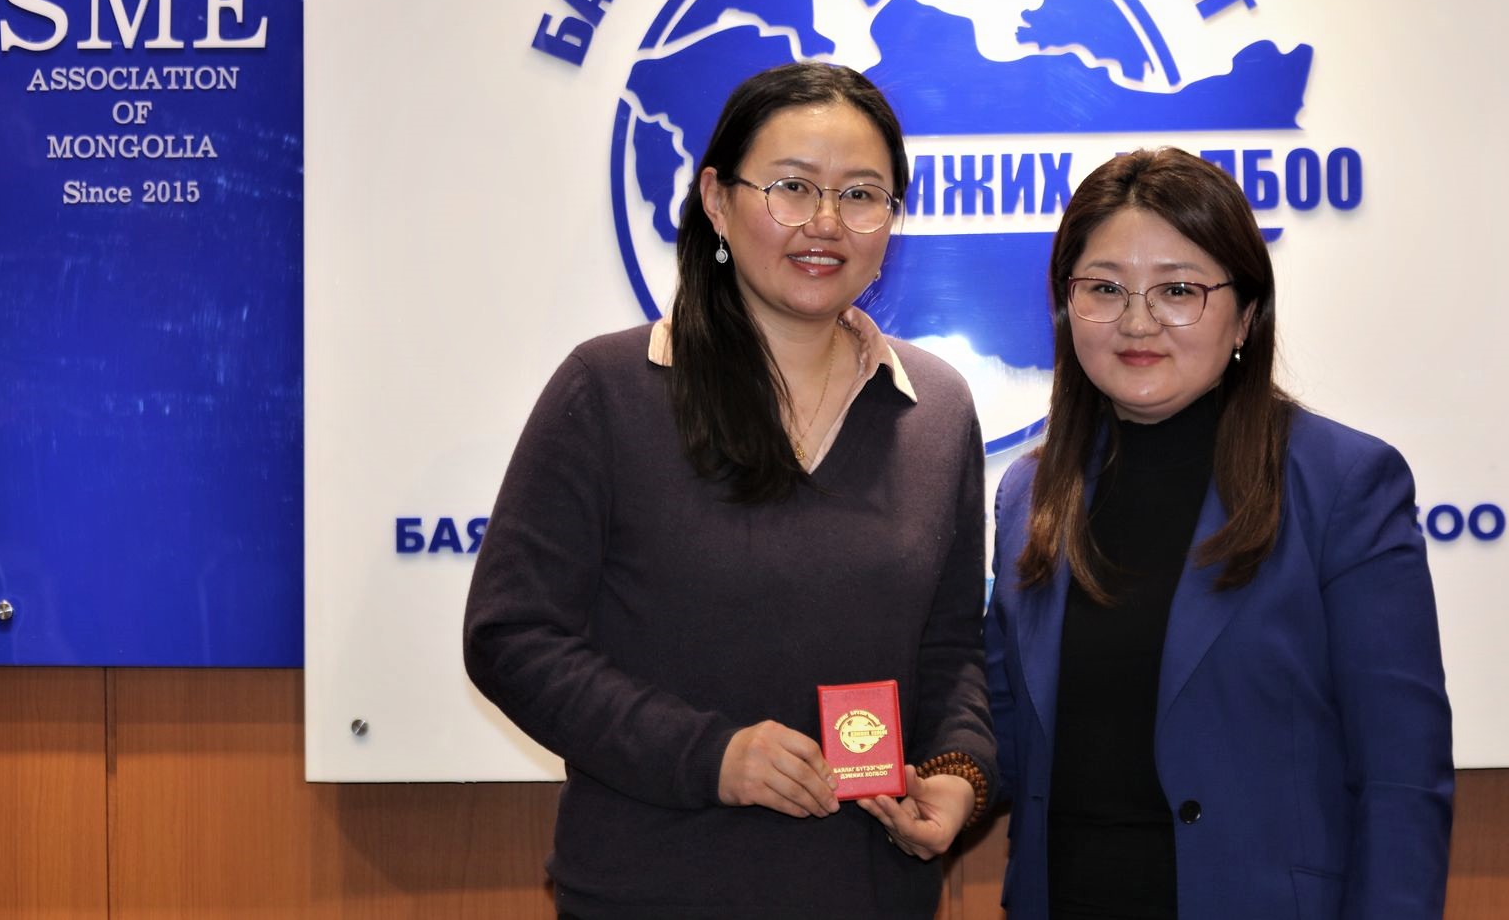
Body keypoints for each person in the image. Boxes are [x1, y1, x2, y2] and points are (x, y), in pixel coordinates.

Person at [464, 62, 997, 920]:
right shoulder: (609, 389)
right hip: (652, 893)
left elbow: (949, 651)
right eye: (792, 187)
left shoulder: (934, 408)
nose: (826, 223)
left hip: (870, 894)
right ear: (716, 199)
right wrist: (710, 757)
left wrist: (956, 774)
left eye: (862, 195)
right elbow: (512, 638)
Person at [985, 147, 1453, 920]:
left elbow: (1401, 777)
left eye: (1178, 290)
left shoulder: (1343, 485)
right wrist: (939, 775)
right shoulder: (1030, 494)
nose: (1138, 321)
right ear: (1068, 310)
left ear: (1244, 314)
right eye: (1104, 288)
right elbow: (1004, 729)